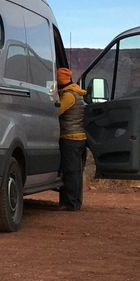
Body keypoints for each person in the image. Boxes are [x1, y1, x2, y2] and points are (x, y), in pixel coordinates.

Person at [57, 67, 87, 211]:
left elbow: (56, 111)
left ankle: (70, 204)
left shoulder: (69, 96)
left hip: (70, 138)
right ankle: (74, 202)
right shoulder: (76, 92)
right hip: (78, 138)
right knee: (75, 172)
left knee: (70, 172)